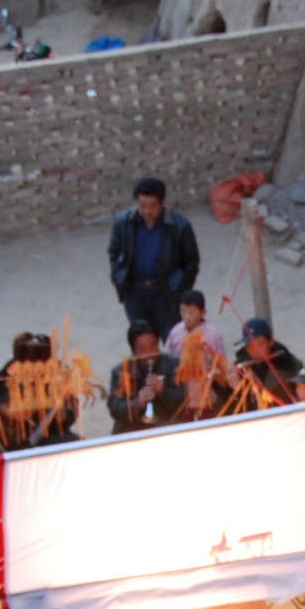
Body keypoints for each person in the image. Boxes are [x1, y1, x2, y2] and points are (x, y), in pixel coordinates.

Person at [108, 176, 201, 339]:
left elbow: (191, 263)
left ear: (162, 204)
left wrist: (179, 289)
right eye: (142, 206)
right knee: (143, 343)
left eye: (152, 206)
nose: (147, 212)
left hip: (166, 294)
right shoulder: (123, 223)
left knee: (175, 341)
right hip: (135, 293)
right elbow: (114, 253)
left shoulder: (179, 226)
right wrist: (120, 280)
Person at [106, 322, 184, 433]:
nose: (149, 353)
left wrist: (164, 391)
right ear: (134, 351)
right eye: (142, 349)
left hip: (166, 426)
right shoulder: (121, 371)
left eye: (153, 345)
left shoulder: (173, 365)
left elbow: (183, 402)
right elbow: (115, 409)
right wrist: (138, 403)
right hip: (132, 430)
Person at [232, 317, 305, 408]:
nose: (255, 351)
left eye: (260, 344)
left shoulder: (291, 365)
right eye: (250, 347)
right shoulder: (240, 368)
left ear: (270, 342)